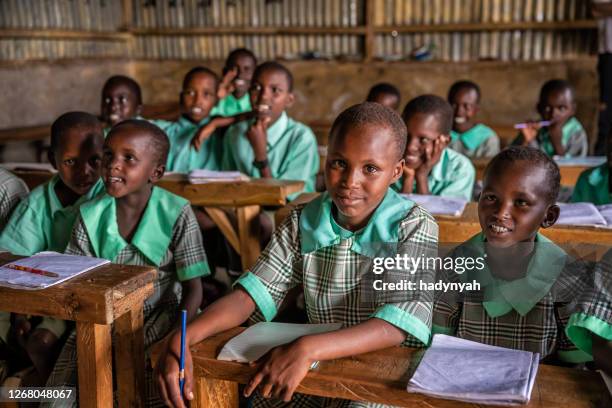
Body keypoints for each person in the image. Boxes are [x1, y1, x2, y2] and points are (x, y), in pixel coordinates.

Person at [156, 102, 438, 408]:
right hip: (315, 367)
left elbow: (398, 324)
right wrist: (183, 338)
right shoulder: (303, 219)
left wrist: (307, 348)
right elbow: (250, 294)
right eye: (339, 163)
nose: (350, 181)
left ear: (396, 171)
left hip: (383, 378)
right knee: (262, 394)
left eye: (370, 168)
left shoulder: (415, 225)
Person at [394, 94, 475, 201]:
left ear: (445, 141)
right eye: (406, 135)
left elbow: (443, 217)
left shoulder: (460, 169)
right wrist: (407, 181)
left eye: (424, 139)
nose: (410, 147)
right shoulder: (388, 161)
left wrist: (421, 177)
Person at [447, 80, 500, 158]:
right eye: (454, 105)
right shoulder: (440, 134)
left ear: (476, 108)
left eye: (467, 106)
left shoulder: (488, 138)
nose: (459, 112)